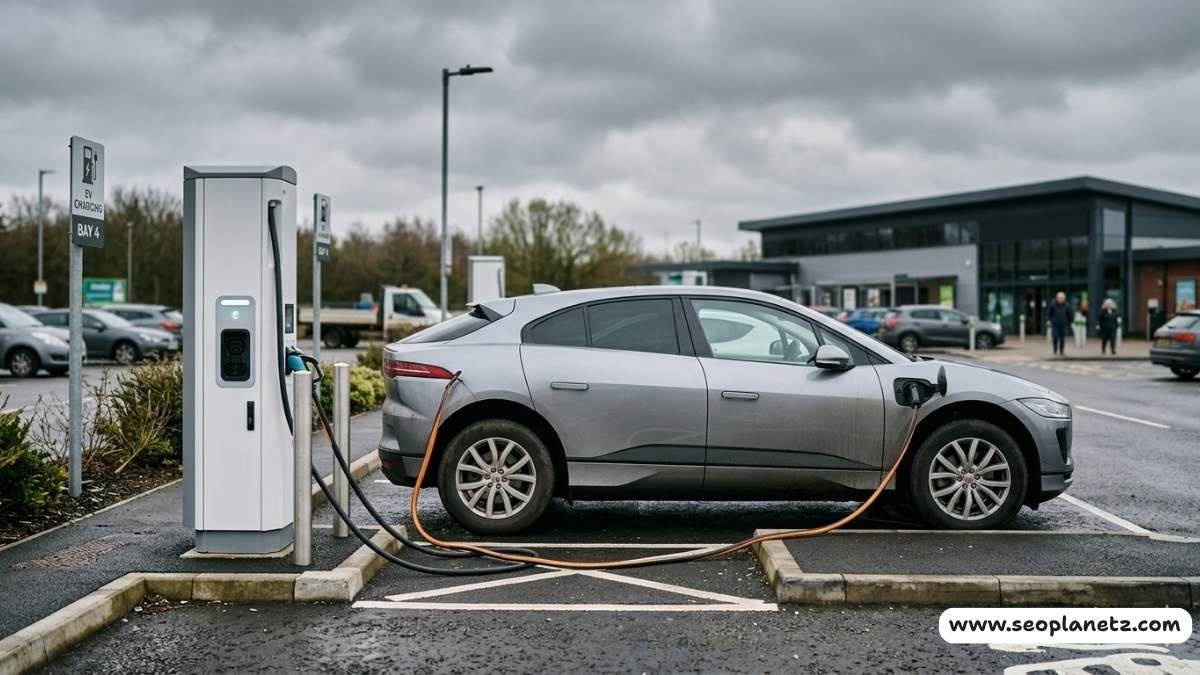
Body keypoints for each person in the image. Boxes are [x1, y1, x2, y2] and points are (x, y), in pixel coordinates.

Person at [1047, 291, 1071, 356]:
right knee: (1055, 337)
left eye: (1062, 298)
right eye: (1059, 298)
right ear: (1057, 298)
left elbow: (1070, 315)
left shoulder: (1067, 305)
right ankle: (1055, 350)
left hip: (1063, 324)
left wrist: (1069, 322)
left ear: (1064, 298)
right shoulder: (1053, 305)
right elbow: (1049, 313)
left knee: (1062, 338)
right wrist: (1049, 320)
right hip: (1055, 324)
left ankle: (1061, 351)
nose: (1060, 299)